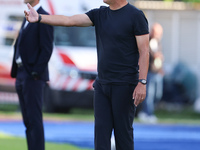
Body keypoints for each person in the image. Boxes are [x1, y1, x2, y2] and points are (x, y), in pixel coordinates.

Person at [24, 0, 149, 149]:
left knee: (123, 136)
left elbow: (144, 51)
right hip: (102, 85)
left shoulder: (135, 16)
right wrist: (39, 18)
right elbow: (69, 20)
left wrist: (142, 82)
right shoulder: (99, 14)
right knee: (101, 135)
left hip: (124, 85)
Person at [10, 0, 54, 150]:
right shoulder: (27, 17)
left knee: (34, 120)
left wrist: (36, 72)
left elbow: (47, 48)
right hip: (21, 74)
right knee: (28, 121)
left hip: (32, 76)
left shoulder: (44, 17)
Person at [138, 23, 164, 123]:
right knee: (149, 94)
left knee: (157, 94)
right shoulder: (147, 41)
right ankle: (147, 113)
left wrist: (161, 68)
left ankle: (147, 112)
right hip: (149, 71)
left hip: (156, 72)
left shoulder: (158, 42)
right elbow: (145, 54)